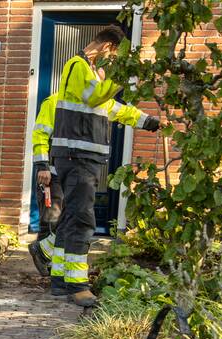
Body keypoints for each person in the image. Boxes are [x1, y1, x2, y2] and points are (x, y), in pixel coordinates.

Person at [51, 25, 161, 307]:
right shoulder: (77, 66)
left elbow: (110, 108)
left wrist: (148, 121)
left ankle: (60, 281)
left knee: (70, 219)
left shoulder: (88, 72)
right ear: (108, 47)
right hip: (77, 157)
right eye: (115, 57)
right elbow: (95, 98)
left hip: (79, 157)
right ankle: (77, 286)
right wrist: (120, 76)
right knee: (82, 219)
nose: (112, 64)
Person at [28, 93, 63, 277]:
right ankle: (46, 263)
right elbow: (40, 134)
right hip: (51, 174)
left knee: (58, 219)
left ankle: (48, 262)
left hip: (68, 174)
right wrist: (42, 166)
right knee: (51, 220)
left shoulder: (86, 102)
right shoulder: (53, 102)